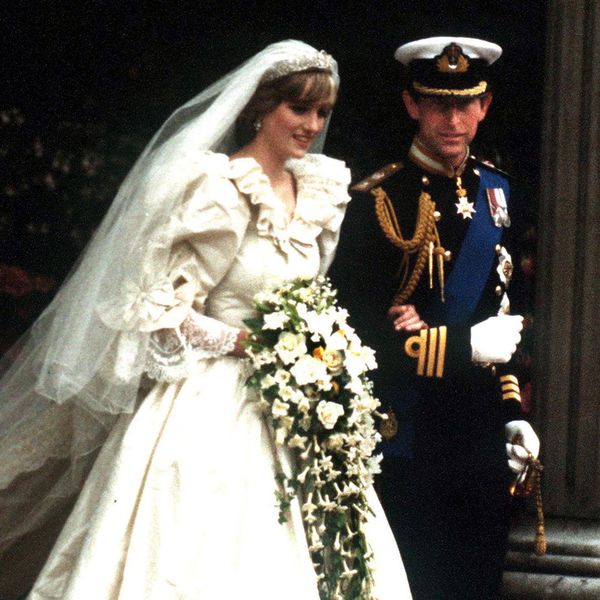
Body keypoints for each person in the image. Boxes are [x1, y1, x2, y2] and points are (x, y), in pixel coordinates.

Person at [0, 40, 412, 599]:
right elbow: (162, 309)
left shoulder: (317, 190)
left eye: (321, 112)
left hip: (297, 405)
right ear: (259, 108)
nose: (312, 124)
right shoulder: (219, 190)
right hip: (211, 401)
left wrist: (313, 344)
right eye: (299, 109)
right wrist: (250, 342)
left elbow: (310, 291)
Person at [329, 36, 540, 599]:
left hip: (480, 438)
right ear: (412, 105)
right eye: (437, 104)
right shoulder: (379, 201)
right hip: (410, 438)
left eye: (464, 103)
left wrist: (513, 411)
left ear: (484, 106)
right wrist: (461, 347)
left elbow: (506, 317)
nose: (452, 119)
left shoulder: (499, 193)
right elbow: (355, 340)